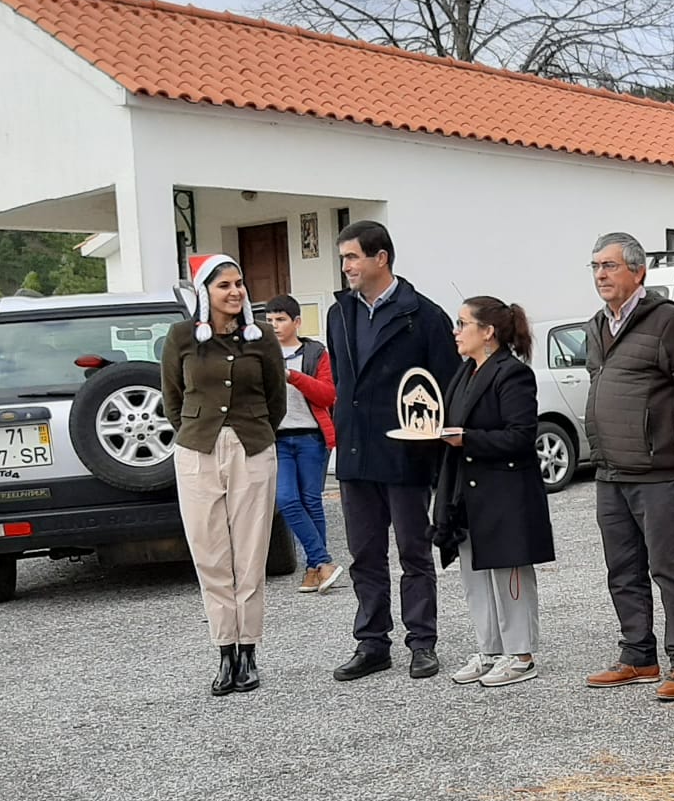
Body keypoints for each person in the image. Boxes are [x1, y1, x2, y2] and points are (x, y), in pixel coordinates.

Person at [581, 231, 674, 703]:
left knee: (668, 569)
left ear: (638, 271)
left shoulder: (668, 323)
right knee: (622, 570)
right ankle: (638, 656)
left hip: (658, 474)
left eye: (610, 265)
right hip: (610, 473)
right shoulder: (597, 325)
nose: (600, 274)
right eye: (595, 266)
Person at [324, 220, 459, 682]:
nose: (346, 267)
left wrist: (435, 452)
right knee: (364, 555)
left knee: (413, 553)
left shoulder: (424, 315)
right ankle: (372, 643)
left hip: (405, 454)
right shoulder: (339, 313)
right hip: (355, 454)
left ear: (380, 258)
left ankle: (422, 642)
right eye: (343, 258)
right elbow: (342, 381)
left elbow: (445, 387)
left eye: (352, 257)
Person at [161, 254, 287, 697]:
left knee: (250, 553)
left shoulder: (261, 336)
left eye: (239, 283)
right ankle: (224, 651)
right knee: (209, 554)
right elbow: (172, 398)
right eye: (224, 285)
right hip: (197, 449)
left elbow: (276, 398)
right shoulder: (182, 336)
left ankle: (248, 649)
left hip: (252, 447)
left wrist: (255, 431)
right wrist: (197, 431)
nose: (235, 292)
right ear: (204, 292)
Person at [432, 297, 554, 688]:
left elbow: (520, 436)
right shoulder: (464, 372)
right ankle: (489, 650)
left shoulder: (512, 373)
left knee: (509, 573)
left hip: (505, 492)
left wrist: (467, 439)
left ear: (488, 332)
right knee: (475, 575)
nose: (455, 331)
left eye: (462, 323)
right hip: (466, 492)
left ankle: (521, 655)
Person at [264, 294, 343, 595]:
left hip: (311, 436)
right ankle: (322, 561)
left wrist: (292, 376)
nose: (274, 326)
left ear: (296, 322)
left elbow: (327, 395)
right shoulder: (261, 353)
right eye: (269, 321)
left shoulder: (314, 352)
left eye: (281, 319)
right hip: (278, 439)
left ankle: (313, 570)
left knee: (311, 501)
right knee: (286, 499)